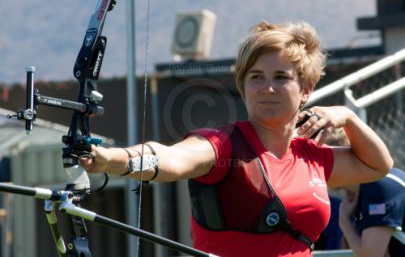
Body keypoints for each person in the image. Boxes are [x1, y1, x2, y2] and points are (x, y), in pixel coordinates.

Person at [80, 21, 393, 257]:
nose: (267, 88)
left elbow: (378, 165)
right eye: (256, 77)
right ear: (242, 87)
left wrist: (347, 116)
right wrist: (113, 159)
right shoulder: (223, 145)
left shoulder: (312, 155)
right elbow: (172, 159)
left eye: (281, 78)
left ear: (307, 89)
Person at [331, 130, 405, 257]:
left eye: (321, 162)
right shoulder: (360, 192)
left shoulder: (378, 186)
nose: (316, 171)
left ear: (340, 160)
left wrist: (344, 221)